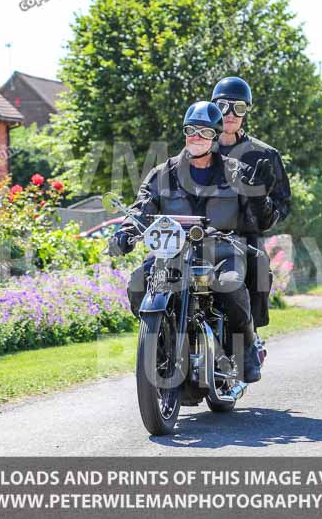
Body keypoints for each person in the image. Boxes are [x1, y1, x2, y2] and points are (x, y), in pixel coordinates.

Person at [107, 101, 275, 383]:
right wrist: (126, 233)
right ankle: (160, 340)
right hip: (172, 251)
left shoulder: (234, 171)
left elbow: (262, 220)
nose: (196, 136)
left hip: (222, 249)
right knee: (137, 283)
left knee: (231, 284)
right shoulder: (163, 173)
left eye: (204, 132)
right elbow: (141, 209)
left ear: (215, 136)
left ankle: (245, 347)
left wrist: (259, 196)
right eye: (190, 130)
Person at [211, 76, 291, 339]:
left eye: (239, 108)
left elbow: (282, 206)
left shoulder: (266, 155)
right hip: (202, 237)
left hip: (244, 237)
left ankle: (248, 341)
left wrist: (260, 200)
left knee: (256, 267)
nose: (230, 114)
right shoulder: (198, 150)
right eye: (224, 106)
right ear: (214, 108)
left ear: (246, 113)